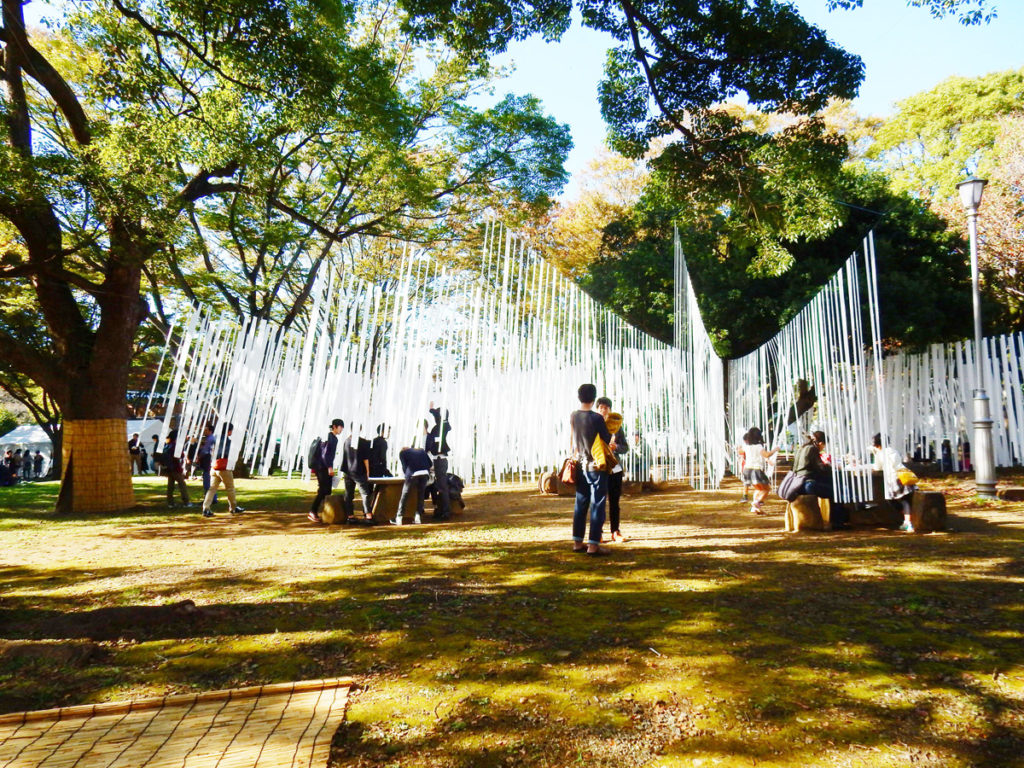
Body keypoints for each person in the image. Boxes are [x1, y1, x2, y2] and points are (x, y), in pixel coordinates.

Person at [570, 383, 613, 556]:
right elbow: (607, 438)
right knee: (598, 504)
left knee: (580, 504)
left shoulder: (574, 415)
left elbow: (573, 438)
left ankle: (577, 542)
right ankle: (593, 545)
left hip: (580, 464)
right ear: (594, 398)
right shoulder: (596, 418)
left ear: (579, 397)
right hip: (596, 465)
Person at [793, 430, 846, 529]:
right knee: (837, 493)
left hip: (798, 483)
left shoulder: (802, 448)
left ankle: (837, 521)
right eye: (824, 446)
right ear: (821, 443)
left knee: (831, 488)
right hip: (808, 485)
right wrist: (831, 467)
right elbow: (820, 467)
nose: (823, 448)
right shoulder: (813, 449)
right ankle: (837, 523)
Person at [595, 396, 629, 542]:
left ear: (610, 410)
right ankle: (598, 532)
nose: (603, 410)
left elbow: (625, 447)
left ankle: (615, 531)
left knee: (614, 501)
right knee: (598, 501)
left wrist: (617, 447)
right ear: (597, 409)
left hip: (615, 467)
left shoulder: (617, 426)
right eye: (601, 407)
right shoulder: (593, 425)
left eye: (606, 408)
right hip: (599, 467)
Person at [872, 433, 917, 532]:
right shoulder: (893, 451)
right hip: (903, 475)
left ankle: (908, 522)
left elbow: (877, 468)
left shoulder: (880, 454)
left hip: (893, 478)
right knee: (906, 500)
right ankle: (907, 521)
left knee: (893, 500)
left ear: (877, 444)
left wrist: (875, 454)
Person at [201, 423, 243, 518]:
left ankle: (206, 508)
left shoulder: (215, 438)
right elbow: (228, 453)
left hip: (214, 466)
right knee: (230, 488)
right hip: (224, 467)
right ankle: (233, 507)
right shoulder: (227, 441)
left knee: (212, 489)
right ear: (229, 431)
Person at [308, 419, 343, 523]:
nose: (341, 430)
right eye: (341, 427)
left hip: (322, 467)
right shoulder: (330, 437)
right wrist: (329, 468)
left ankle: (325, 512)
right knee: (324, 490)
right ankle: (313, 511)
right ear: (335, 426)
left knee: (326, 490)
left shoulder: (331, 438)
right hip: (322, 468)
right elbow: (326, 454)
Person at [738, 427, 777, 515]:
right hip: (756, 470)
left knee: (758, 489)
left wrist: (739, 448)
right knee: (766, 489)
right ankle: (757, 503)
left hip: (747, 469)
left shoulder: (746, 446)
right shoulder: (758, 446)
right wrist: (775, 450)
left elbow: (740, 451)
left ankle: (754, 508)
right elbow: (767, 454)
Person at [341, 429, 377, 523]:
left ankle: (350, 516)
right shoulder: (363, 442)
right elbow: (366, 459)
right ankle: (368, 515)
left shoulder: (346, 441)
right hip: (359, 471)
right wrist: (368, 471)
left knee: (349, 494)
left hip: (348, 471)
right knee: (365, 494)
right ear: (360, 429)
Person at [392, 446, 431, 525]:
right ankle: (418, 517)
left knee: (405, 494)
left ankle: (399, 517)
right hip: (425, 473)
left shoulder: (402, 453)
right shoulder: (421, 450)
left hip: (412, 473)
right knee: (420, 495)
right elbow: (430, 463)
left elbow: (404, 467)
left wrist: (406, 476)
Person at [426, 404, 452, 520]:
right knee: (438, 487)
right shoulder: (438, 428)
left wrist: (433, 410)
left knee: (442, 487)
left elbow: (441, 420)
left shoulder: (443, 427)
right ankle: (441, 509)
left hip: (440, 460)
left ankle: (445, 512)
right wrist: (432, 410)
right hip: (437, 460)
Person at [163, 430, 191, 508]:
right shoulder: (175, 445)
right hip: (175, 467)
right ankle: (186, 502)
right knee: (182, 485)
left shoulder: (168, 445)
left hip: (169, 467)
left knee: (170, 486)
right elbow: (179, 456)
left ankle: (170, 502)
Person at [197, 422, 216, 505]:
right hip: (209, 461)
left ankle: (209, 499)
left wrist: (199, 457)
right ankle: (213, 498)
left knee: (207, 480)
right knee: (210, 480)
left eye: (206, 430)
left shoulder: (210, 439)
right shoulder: (212, 438)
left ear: (210, 431)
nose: (204, 431)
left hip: (207, 461)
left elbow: (205, 451)